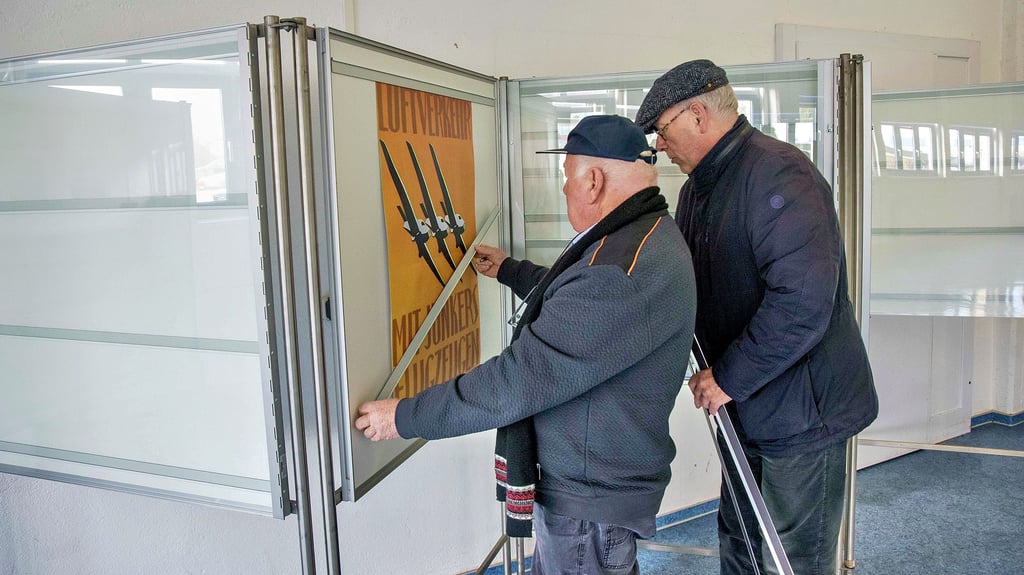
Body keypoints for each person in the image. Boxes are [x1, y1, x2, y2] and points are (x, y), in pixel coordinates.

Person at [356, 114, 697, 575]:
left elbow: (515, 382)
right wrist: (511, 270)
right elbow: (578, 306)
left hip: (588, 501)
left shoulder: (617, 272)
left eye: (567, 178)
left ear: (593, 180)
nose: (564, 190)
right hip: (599, 484)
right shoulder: (643, 235)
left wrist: (405, 416)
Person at [633, 60, 879, 575]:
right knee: (742, 537)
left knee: (792, 555)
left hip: (802, 415)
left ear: (697, 115)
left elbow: (802, 303)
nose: (658, 144)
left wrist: (726, 377)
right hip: (747, 404)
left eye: (661, 129)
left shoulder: (780, 173)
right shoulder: (700, 187)